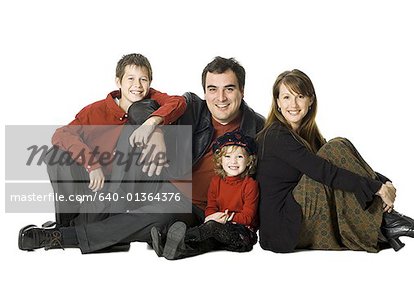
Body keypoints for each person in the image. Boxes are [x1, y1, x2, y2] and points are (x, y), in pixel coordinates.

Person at [18, 56, 265, 254]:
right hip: (160, 181)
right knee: (132, 136)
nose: (220, 98)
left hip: (198, 208)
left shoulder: (258, 129)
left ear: (242, 90)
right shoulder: (193, 106)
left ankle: (63, 236)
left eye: (228, 89)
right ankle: (94, 224)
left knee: (156, 219)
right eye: (212, 89)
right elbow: (140, 107)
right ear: (204, 92)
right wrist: (155, 125)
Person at [256, 69, 414, 253]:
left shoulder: (310, 135)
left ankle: (388, 224)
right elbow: (324, 171)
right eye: (286, 97)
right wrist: (378, 188)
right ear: (277, 102)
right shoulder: (275, 135)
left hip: (301, 218)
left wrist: (384, 182)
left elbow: (342, 166)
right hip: (283, 228)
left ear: (310, 100)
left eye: (300, 96)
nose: (293, 104)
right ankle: (389, 223)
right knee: (336, 147)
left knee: (336, 149)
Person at [18, 53, 186, 252]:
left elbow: (179, 102)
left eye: (143, 79)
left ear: (150, 82)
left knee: (129, 135)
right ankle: (66, 226)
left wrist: (152, 123)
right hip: (96, 185)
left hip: (129, 188)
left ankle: (76, 233)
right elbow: (61, 134)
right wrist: (91, 164)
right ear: (118, 82)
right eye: (130, 79)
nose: (138, 86)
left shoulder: (152, 100)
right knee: (56, 156)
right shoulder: (96, 111)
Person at [151, 130, 259, 260]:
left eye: (239, 157)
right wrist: (211, 216)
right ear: (220, 160)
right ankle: (171, 250)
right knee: (205, 242)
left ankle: (168, 239)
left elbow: (248, 217)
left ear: (248, 161)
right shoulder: (216, 181)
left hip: (241, 234)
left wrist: (226, 218)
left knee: (211, 227)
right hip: (218, 227)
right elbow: (211, 207)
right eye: (228, 157)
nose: (233, 162)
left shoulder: (250, 184)